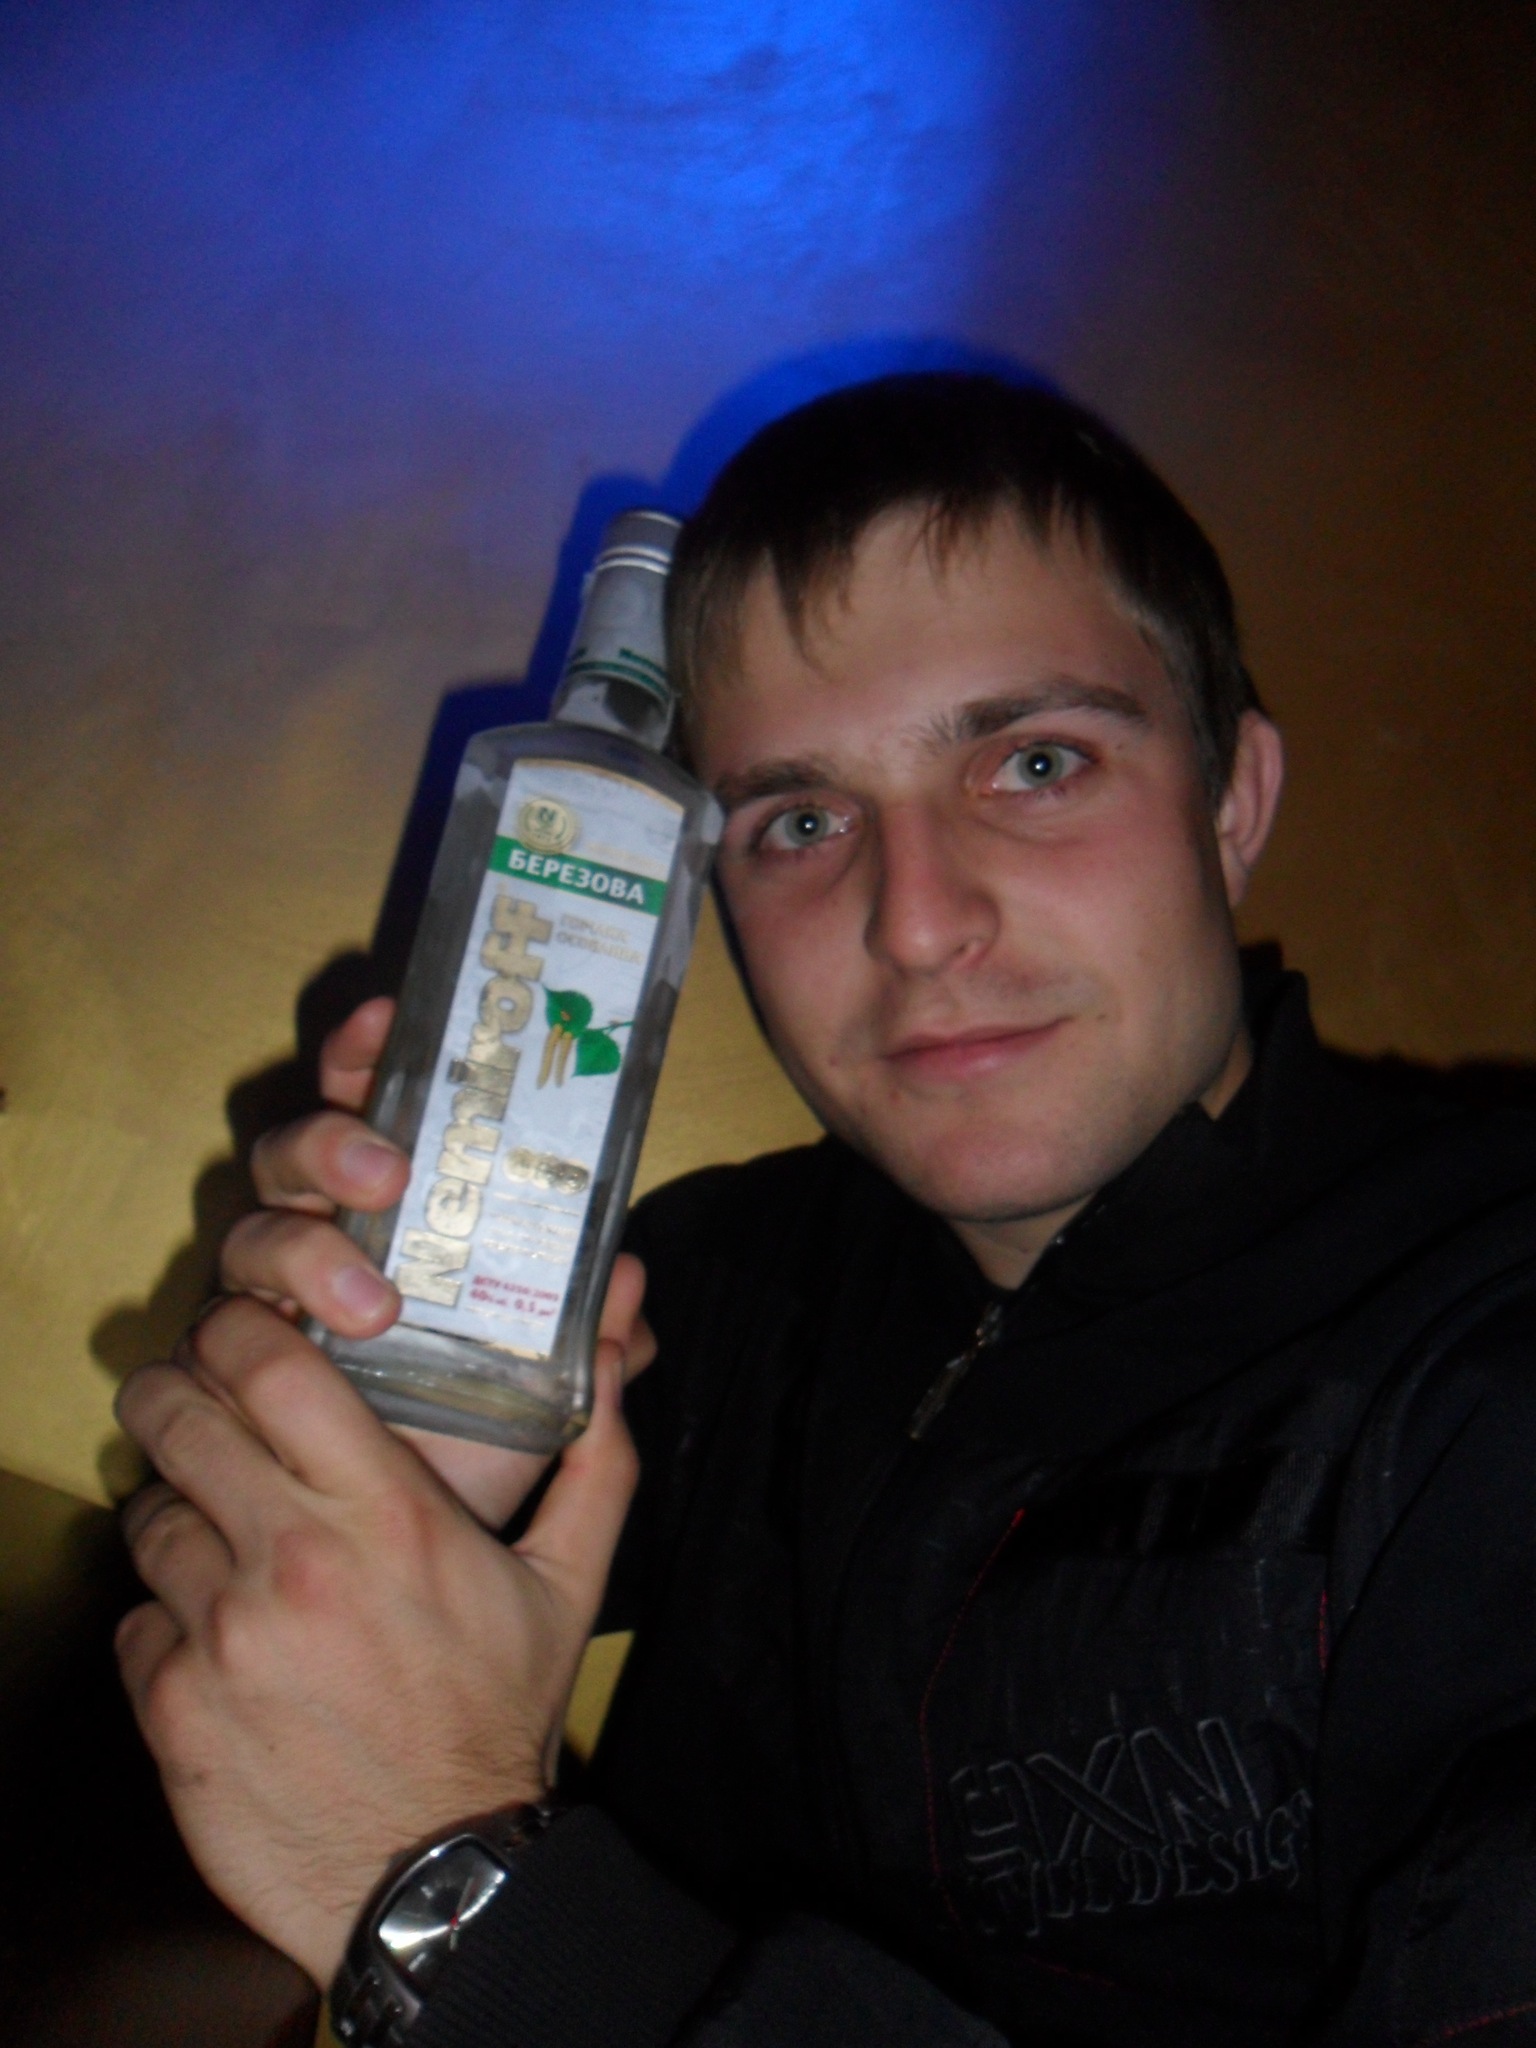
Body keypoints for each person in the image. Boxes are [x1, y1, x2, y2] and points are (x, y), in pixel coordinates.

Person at [113, 375, 1536, 2046]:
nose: (915, 923)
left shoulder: (1488, 1343)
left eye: (1037, 762)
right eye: (800, 820)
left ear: (1232, 802)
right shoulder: (701, 1290)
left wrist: (465, 1892)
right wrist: (377, 1453)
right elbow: (189, 1751)